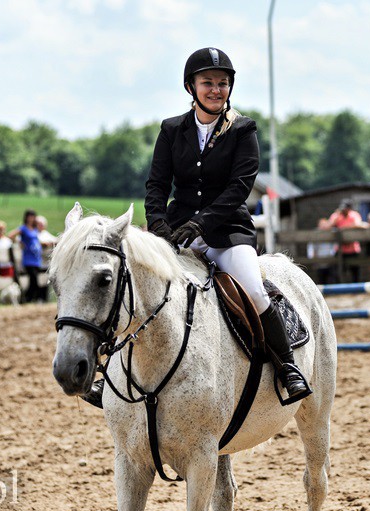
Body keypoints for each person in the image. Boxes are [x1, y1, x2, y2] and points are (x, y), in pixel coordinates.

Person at [80, 47, 312, 411]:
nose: (216, 90)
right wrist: (157, 224)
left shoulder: (243, 129)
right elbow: (157, 184)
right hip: (174, 233)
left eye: (222, 83)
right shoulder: (172, 130)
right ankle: (106, 374)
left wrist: (201, 223)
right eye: (208, 83)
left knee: (253, 289)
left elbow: (240, 187)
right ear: (191, 87)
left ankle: (288, 367)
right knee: (139, 289)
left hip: (227, 232)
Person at [325, 200, 365, 282]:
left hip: (353, 248)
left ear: (349, 209)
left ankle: (356, 290)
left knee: (355, 271)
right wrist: (336, 218)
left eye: (345, 208)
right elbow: (327, 227)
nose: (343, 210)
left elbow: (358, 224)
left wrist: (343, 228)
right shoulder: (336, 216)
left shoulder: (354, 215)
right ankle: (338, 289)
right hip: (340, 249)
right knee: (337, 271)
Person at [8, 209, 43, 303]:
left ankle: (30, 298)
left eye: (33, 216)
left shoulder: (35, 229)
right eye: (29, 216)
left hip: (36, 257)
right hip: (28, 258)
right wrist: (19, 242)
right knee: (33, 279)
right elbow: (11, 235)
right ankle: (27, 298)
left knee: (35, 279)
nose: (31, 218)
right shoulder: (23, 228)